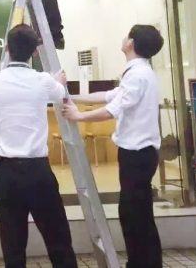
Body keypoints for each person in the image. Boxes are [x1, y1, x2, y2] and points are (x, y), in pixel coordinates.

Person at [63, 25, 164, 268]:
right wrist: (71, 96)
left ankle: (143, 263)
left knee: (134, 214)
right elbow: (110, 95)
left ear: (131, 43)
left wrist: (79, 117)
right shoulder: (138, 72)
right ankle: (144, 262)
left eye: (128, 35)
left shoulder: (138, 75)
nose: (124, 37)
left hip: (138, 154)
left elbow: (112, 110)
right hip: (138, 154)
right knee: (136, 213)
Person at [0, 24, 77, 268]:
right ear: (35, 52)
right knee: (58, 239)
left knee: (13, 245)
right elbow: (60, 94)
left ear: (6, 49)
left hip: (7, 173)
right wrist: (59, 80)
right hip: (38, 172)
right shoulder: (43, 81)